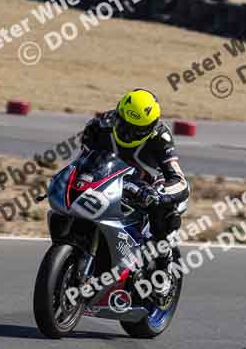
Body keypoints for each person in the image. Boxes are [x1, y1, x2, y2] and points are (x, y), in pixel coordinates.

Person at [81, 88, 190, 273]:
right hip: (108, 185)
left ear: (150, 128)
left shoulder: (160, 138)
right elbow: (83, 162)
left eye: (135, 131)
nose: (126, 133)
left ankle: (164, 265)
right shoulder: (99, 126)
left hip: (147, 189)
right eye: (123, 124)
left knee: (163, 214)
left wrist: (158, 195)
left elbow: (179, 181)